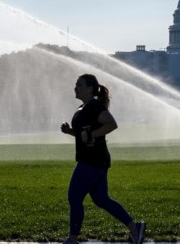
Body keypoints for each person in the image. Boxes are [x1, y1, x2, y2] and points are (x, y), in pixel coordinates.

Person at [60, 74, 145, 244]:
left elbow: (111, 124)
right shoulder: (81, 108)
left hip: (92, 161)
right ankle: (135, 228)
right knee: (101, 199)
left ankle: (72, 239)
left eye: (79, 84)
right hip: (95, 160)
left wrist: (91, 134)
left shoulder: (95, 107)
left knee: (74, 197)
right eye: (75, 84)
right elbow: (84, 134)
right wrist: (71, 132)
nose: (75, 87)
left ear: (90, 88)